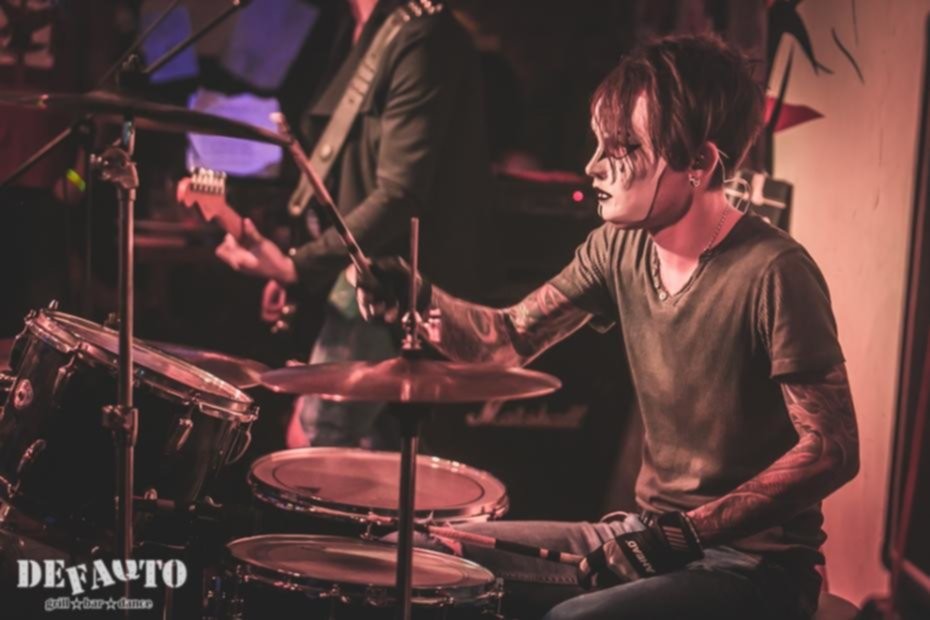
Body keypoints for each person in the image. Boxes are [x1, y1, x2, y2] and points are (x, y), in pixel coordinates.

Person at [358, 34, 859, 620]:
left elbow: (832, 449)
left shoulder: (775, 272)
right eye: (600, 142)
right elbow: (507, 341)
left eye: (623, 148)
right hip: (647, 533)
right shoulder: (617, 247)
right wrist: (417, 298)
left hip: (753, 567)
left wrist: (683, 536)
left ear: (699, 163)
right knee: (409, 554)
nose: (594, 165)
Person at [213, 0, 490, 448]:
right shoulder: (352, 29)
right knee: (357, 451)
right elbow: (345, 178)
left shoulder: (423, 36)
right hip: (353, 280)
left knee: (314, 441)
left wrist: (300, 264)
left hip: (389, 289)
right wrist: (299, 263)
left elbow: (398, 194)